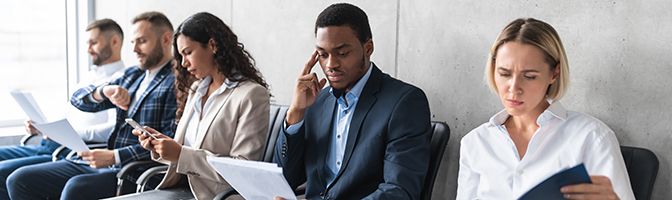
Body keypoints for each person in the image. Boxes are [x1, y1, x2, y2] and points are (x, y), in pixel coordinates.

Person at [456, 18, 635, 200]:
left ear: (554, 73)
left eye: (529, 76)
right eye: (504, 74)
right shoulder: (475, 143)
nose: (513, 87)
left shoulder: (592, 137)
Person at [7, 11, 178, 200]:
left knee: (76, 188)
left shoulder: (176, 82)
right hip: (106, 162)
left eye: (142, 41)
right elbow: (78, 100)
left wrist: (115, 156)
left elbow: (170, 140)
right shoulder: (132, 76)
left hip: (132, 169)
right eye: (133, 42)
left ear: (166, 39)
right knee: (19, 179)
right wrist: (104, 92)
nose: (135, 49)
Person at [274, 3, 432, 199]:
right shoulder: (317, 102)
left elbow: (399, 191)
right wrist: (296, 112)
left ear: (368, 48)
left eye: (342, 53)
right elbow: (283, 179)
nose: (330, 65)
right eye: (323, 55)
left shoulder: (404, 103)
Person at [130, 12, 270, 200]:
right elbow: (186, 151)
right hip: (181, 188)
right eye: (181, 56)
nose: (184, 63)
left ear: (212, 45)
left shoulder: (251, 94)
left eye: (188, 52)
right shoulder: (197, 89)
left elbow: (242, 169)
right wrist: (160, 146)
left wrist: (180, 154)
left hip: (217, 195)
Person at [0, 18, 125, 199]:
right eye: (87, 43)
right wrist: (42, 126)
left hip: (71, 148)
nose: (88, 49)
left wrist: (71, 133)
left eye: (94, 43)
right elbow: (71, 115)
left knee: (7, 174)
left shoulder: (122, 80)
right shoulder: (88, 78)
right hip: (52, 141)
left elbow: (114, 128)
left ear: (114, 41)